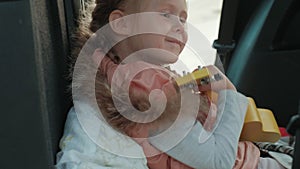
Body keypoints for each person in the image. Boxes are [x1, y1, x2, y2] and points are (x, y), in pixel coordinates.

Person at [56, 0, 287, 169]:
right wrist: (229, 94)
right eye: (166, 14)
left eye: (183, 18)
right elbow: (218, 162)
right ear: (121, 23)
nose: (179, 26)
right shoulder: (148, 90)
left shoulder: (117, 74)